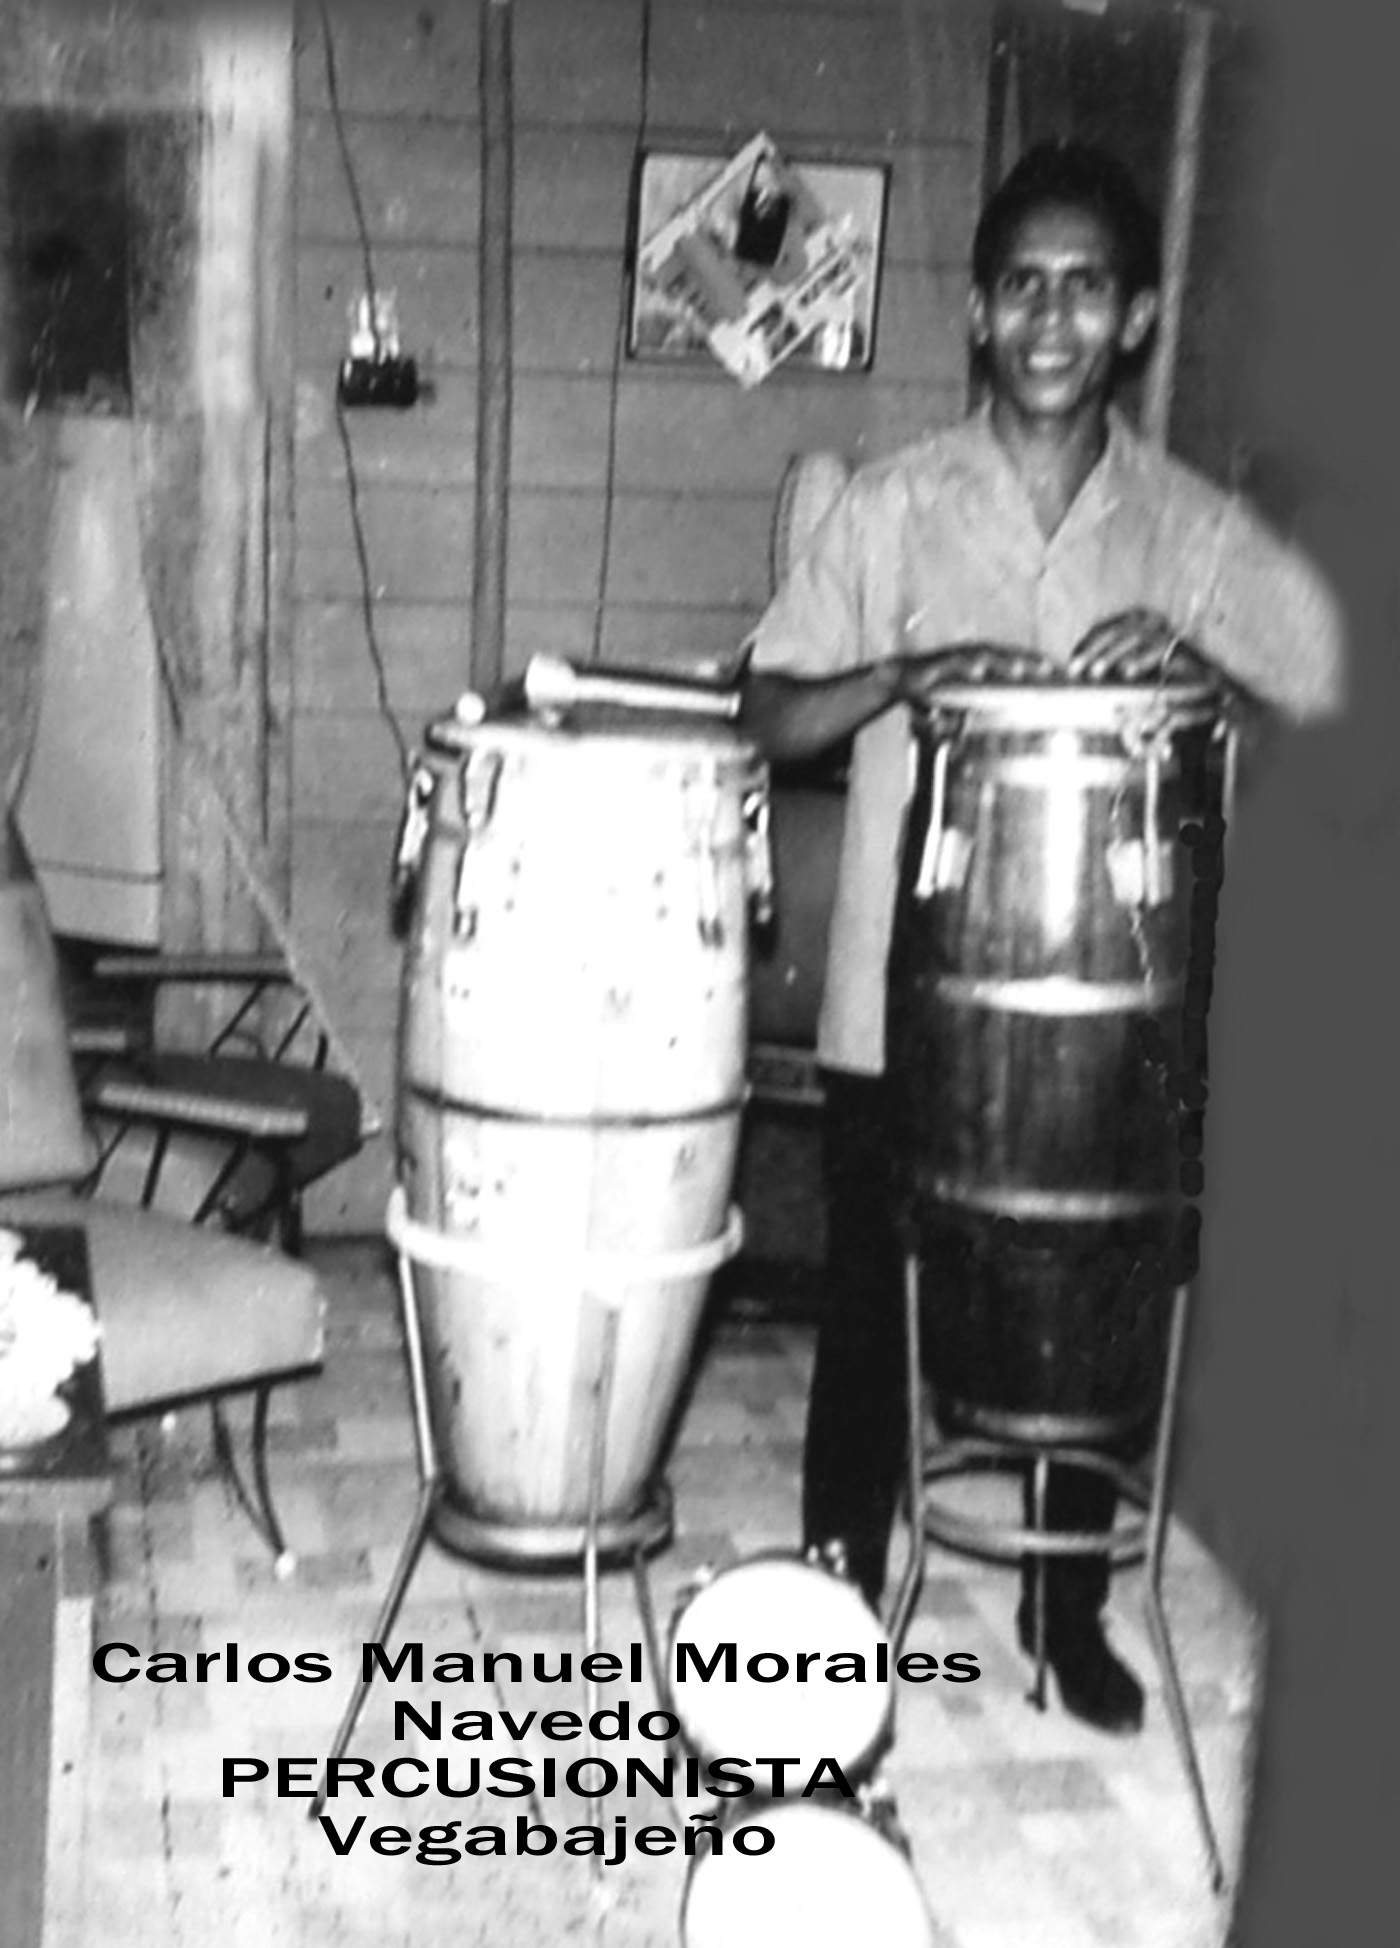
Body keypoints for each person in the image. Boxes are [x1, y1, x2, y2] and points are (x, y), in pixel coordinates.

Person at [739, 140, 1345, 1735]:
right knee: (873, 1313)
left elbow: (1327, 707)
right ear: (976, 311)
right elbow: (765, 711)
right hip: (903, 1000)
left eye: (1087, 288)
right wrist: (900, 671)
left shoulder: (1191, 526)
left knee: (1094, 1317)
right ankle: (830, 1612)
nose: (1053, 319)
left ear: (1136, 316)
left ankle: (1065, 1610)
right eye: (1023, 286)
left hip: (1122, 1013)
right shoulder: (890, 507)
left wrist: (1210, 670)